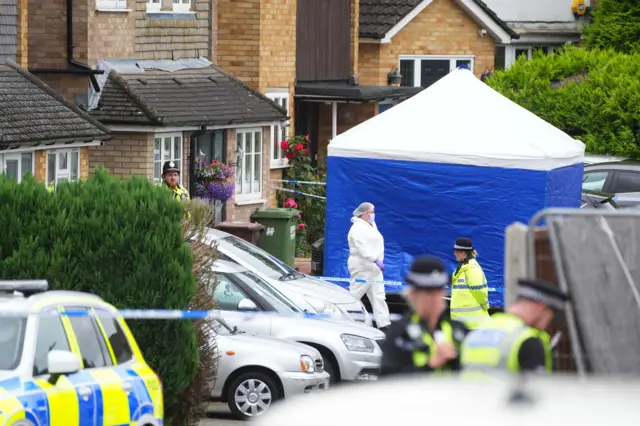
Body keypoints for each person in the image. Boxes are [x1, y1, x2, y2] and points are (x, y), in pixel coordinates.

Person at [380, 256, 469, 376]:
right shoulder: (398, 334)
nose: (434, 298)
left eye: (439, 290)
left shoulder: (458, 330)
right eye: (427, 292)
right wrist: (431, 365)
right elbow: (388, 384)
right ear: (413, 294)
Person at [460, 279, 570, 375]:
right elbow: (537, 390)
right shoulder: (528, 340)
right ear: (540, 307)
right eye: (551, 314)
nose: (548, 321)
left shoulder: (477, 332)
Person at [347, 202, 390, 331]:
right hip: (362, 267)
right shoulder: (357, 229)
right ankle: (344, 321)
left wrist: (377, 262)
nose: (373, 214)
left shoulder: (371, 225)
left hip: (374, 269)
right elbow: (362, 248)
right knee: (354, 296)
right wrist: (375, 260)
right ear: (364, 214)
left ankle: (384, 324)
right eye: (371, 212)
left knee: (379, 296)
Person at [450, 237, 490, 329]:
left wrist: (485, 305)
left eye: (456, 251)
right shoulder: (463, 268)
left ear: (463, 252)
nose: (454, 253)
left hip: (473, 325)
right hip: (465, 323)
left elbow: (480, 291)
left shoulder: (471, 269)